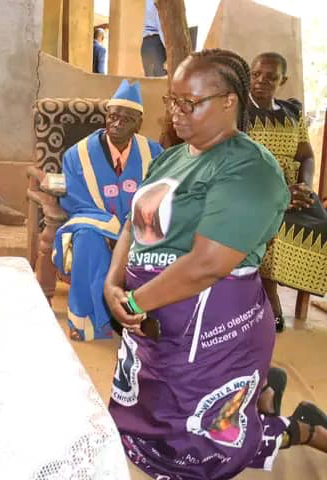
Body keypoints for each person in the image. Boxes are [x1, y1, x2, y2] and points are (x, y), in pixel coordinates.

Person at [103, 48, 327, 479]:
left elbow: (207, 263)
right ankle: (263, 399)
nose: (177, 112)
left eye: (191, 103)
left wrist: (132, 302)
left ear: (229, 102)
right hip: (151, 319)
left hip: (209, 331)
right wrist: (114, 285)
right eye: (172, 100)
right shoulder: (174, 157)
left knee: (200, 442)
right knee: (146, 421)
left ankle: (305, 429)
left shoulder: (250, 170)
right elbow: (133, 226)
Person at [52, 79, 163, 341]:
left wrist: (130, 231)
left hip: (141, 228)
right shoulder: (77, 155)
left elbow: (159, 195)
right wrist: (112, 230)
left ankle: (142, 318)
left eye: (126, 119)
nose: (117, 123)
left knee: (159, 243)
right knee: (88, 241)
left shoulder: (154, 153)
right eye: (113, 116)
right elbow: (75, 202)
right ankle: (89, 323)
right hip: (94, 227)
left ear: (139, 123)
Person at [246, 51, 327, 333]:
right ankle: (270, 298)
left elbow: (306, 155)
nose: (261, 81)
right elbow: (237, 161)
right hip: (254, 189)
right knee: (270, 227)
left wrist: (305, 185)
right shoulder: (240, 112)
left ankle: (298, 295)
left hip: (294, 189)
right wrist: (280, 193)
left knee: (321, 225)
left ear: (284, 80)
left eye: (271, 77)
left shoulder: (292, 112)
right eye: (256, 74)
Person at [141, 0, 167, 77]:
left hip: (146, 43)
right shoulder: (157, 2)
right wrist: (167, 47)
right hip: (156, 43)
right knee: (160, 80)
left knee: (150, 80)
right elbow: (160, 25)